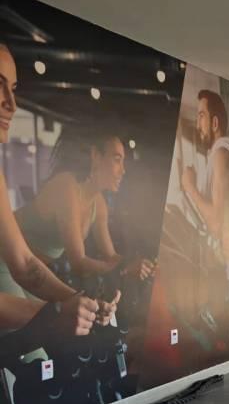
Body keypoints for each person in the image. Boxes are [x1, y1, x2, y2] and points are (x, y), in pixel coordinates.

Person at [0, 44, 111, 337]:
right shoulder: (67, 186)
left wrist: (79, 302)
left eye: (13, 88)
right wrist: (56, 313)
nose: (12, 104)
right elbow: (78, 261)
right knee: (34, 352)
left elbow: (24, 263)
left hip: (18, 271)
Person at [0, 125, 154, 299]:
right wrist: (122, 268)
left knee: (48, 314)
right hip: (5, 259)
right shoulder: (67, 186)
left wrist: (137, 265)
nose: (123, 170)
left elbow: (111, 257)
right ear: (95, 156)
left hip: (33, 270)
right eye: (117, 160)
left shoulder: (99, 203)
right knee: (34, 315)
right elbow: (78, 262)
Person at [179, 89, 229, 300]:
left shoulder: (221, 154)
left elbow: (218, 226)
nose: (197, 125)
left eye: (201, 116)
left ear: (214, 123)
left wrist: (190, 187)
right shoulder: (224, 152)